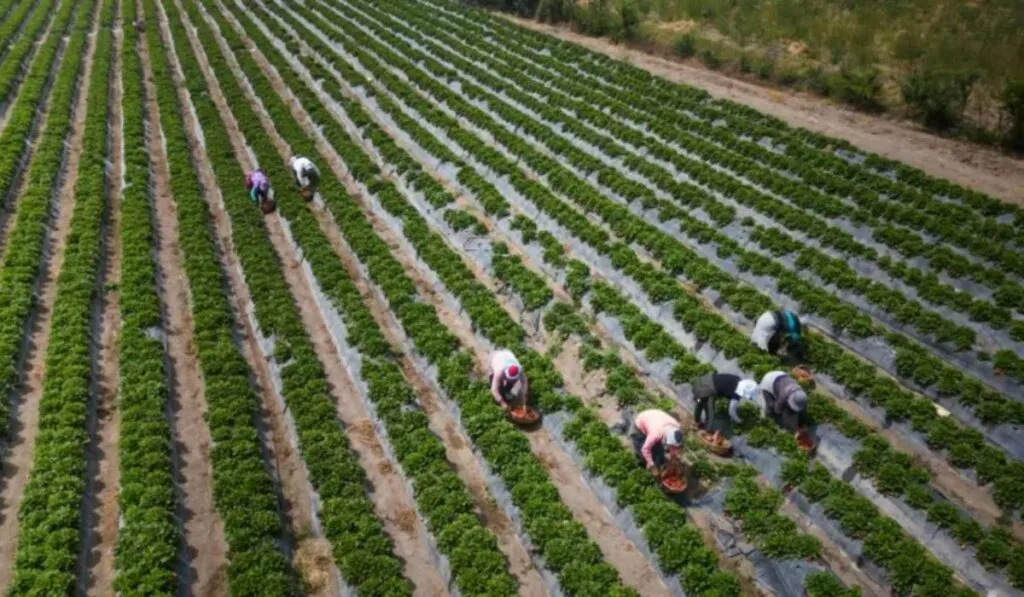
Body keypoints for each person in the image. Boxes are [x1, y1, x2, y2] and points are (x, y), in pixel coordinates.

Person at [691, 372, 760, 432]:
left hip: (700, 382)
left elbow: (725, 388)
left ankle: (697, 422)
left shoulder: (737, 379)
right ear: (744, 391)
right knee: (710, 413)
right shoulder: (736, 393)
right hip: (707, 390)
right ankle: (706, 432)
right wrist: (740, 421)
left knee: (700, 402)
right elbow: (731, 412)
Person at [629, 409, 684, 474]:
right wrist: (652, 466)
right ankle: (642, 461)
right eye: (670, 445)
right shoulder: (656, 434)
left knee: (659, 451)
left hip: (654, 418)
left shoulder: (677, 427)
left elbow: (674, 447)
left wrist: (672, 460)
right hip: (640, 425)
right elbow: (645, 449)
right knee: (642, 448)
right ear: (666, 439)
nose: (672, 447)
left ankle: (660, 462)